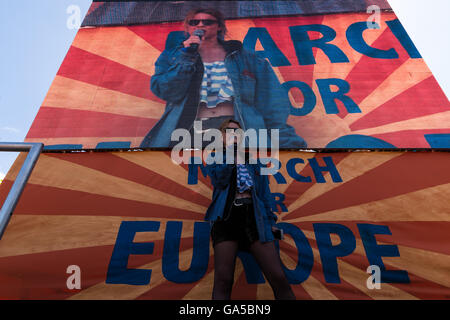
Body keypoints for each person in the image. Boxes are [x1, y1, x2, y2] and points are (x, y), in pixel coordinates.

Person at [140, 7, 307, 149]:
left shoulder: (246, 59)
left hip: (237, 127)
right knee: (193, 179)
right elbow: (166, 91)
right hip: (190, 129)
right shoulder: (173, 57)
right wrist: (186, 57)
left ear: (219, 27)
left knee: (239, 179)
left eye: (207, 22)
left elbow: (272, 102)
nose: (200, 25)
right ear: (188, 28)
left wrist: (283, 141)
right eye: (194, 22)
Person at [205, 118, 296, 300]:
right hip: (227, 218)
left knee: (278, 277)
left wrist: (270, 222)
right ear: (222, 137)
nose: (234, 135)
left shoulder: (253, 161)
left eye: (237, 132)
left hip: (254, 217)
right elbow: (220, 180)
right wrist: (231, 153)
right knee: (223, 279)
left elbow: (264, 194)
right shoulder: (215, 157)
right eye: (229, 132)